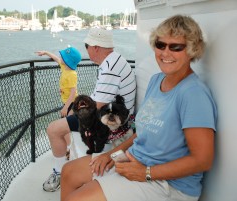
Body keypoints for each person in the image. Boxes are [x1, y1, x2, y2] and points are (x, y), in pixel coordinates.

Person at [60, 14, 217, 201]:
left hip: (167, 184)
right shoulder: (156, 80)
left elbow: (203, 160)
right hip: (135, 160)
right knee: (69, 172)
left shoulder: (194, 94)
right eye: (160, 45)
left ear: (191, 50)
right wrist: (111, 154)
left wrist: (146, 173)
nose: (165, 53)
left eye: (175, 47)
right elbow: (142, 134)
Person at [42, 28, 137, 192]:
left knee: (53, 129)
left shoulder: (109, 67)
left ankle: (58, 173)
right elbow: (99, 99)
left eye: (87, 46)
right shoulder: (114, 60)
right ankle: (68, 159)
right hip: (116, 114)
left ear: (96, 48)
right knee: (66, 123)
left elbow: (97, 106)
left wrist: (74, 110)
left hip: (111, 121)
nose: (87, 49)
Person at [36, 47, 82, 161]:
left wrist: (66, 108)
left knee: (66, 126)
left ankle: (71, 149)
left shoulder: (72, 74)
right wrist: (45, 51)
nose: (60, 57)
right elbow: (56, 58)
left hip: (71, 103)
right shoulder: (64, 67)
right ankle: (68, 147)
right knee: (65, 127)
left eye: (63, 57)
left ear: (67, 61)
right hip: (67, 103)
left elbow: (72, 93)